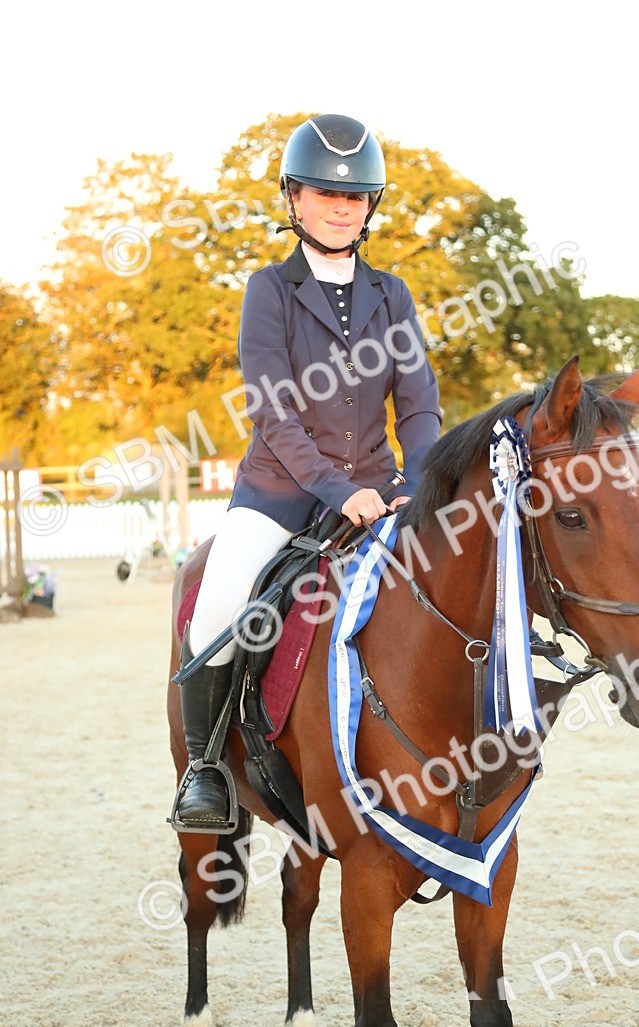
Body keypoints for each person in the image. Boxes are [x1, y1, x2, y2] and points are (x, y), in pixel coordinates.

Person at [172, 113, 442, 831]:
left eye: (353, 197)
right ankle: (204, 773)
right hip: (279, 495)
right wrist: (336, 489)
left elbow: (419, 406)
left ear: (369, 207)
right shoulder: (268, 290)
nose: (339, 206)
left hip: (382, 494)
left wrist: (416, 478)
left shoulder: (394, 296)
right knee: (219, 611)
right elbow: (274, 413)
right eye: (324, 192)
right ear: (293, 199)